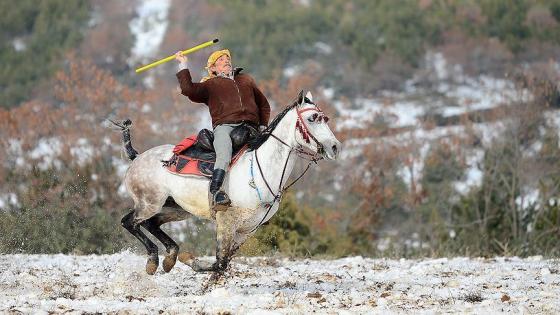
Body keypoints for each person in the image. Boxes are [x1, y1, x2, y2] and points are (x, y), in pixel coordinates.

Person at [175, 49, 271, 211]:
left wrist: (263, 125)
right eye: (220, 60)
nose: (226, 61)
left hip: (252, 127)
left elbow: (263, 104)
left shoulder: (246, 79)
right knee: (224, 154)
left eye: (227, 58)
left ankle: (265, 196)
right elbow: (188, 90)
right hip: (225, 127)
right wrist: (183, 64)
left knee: (271, 153)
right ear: (212, 69)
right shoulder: (210, 85)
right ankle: (216, 193)